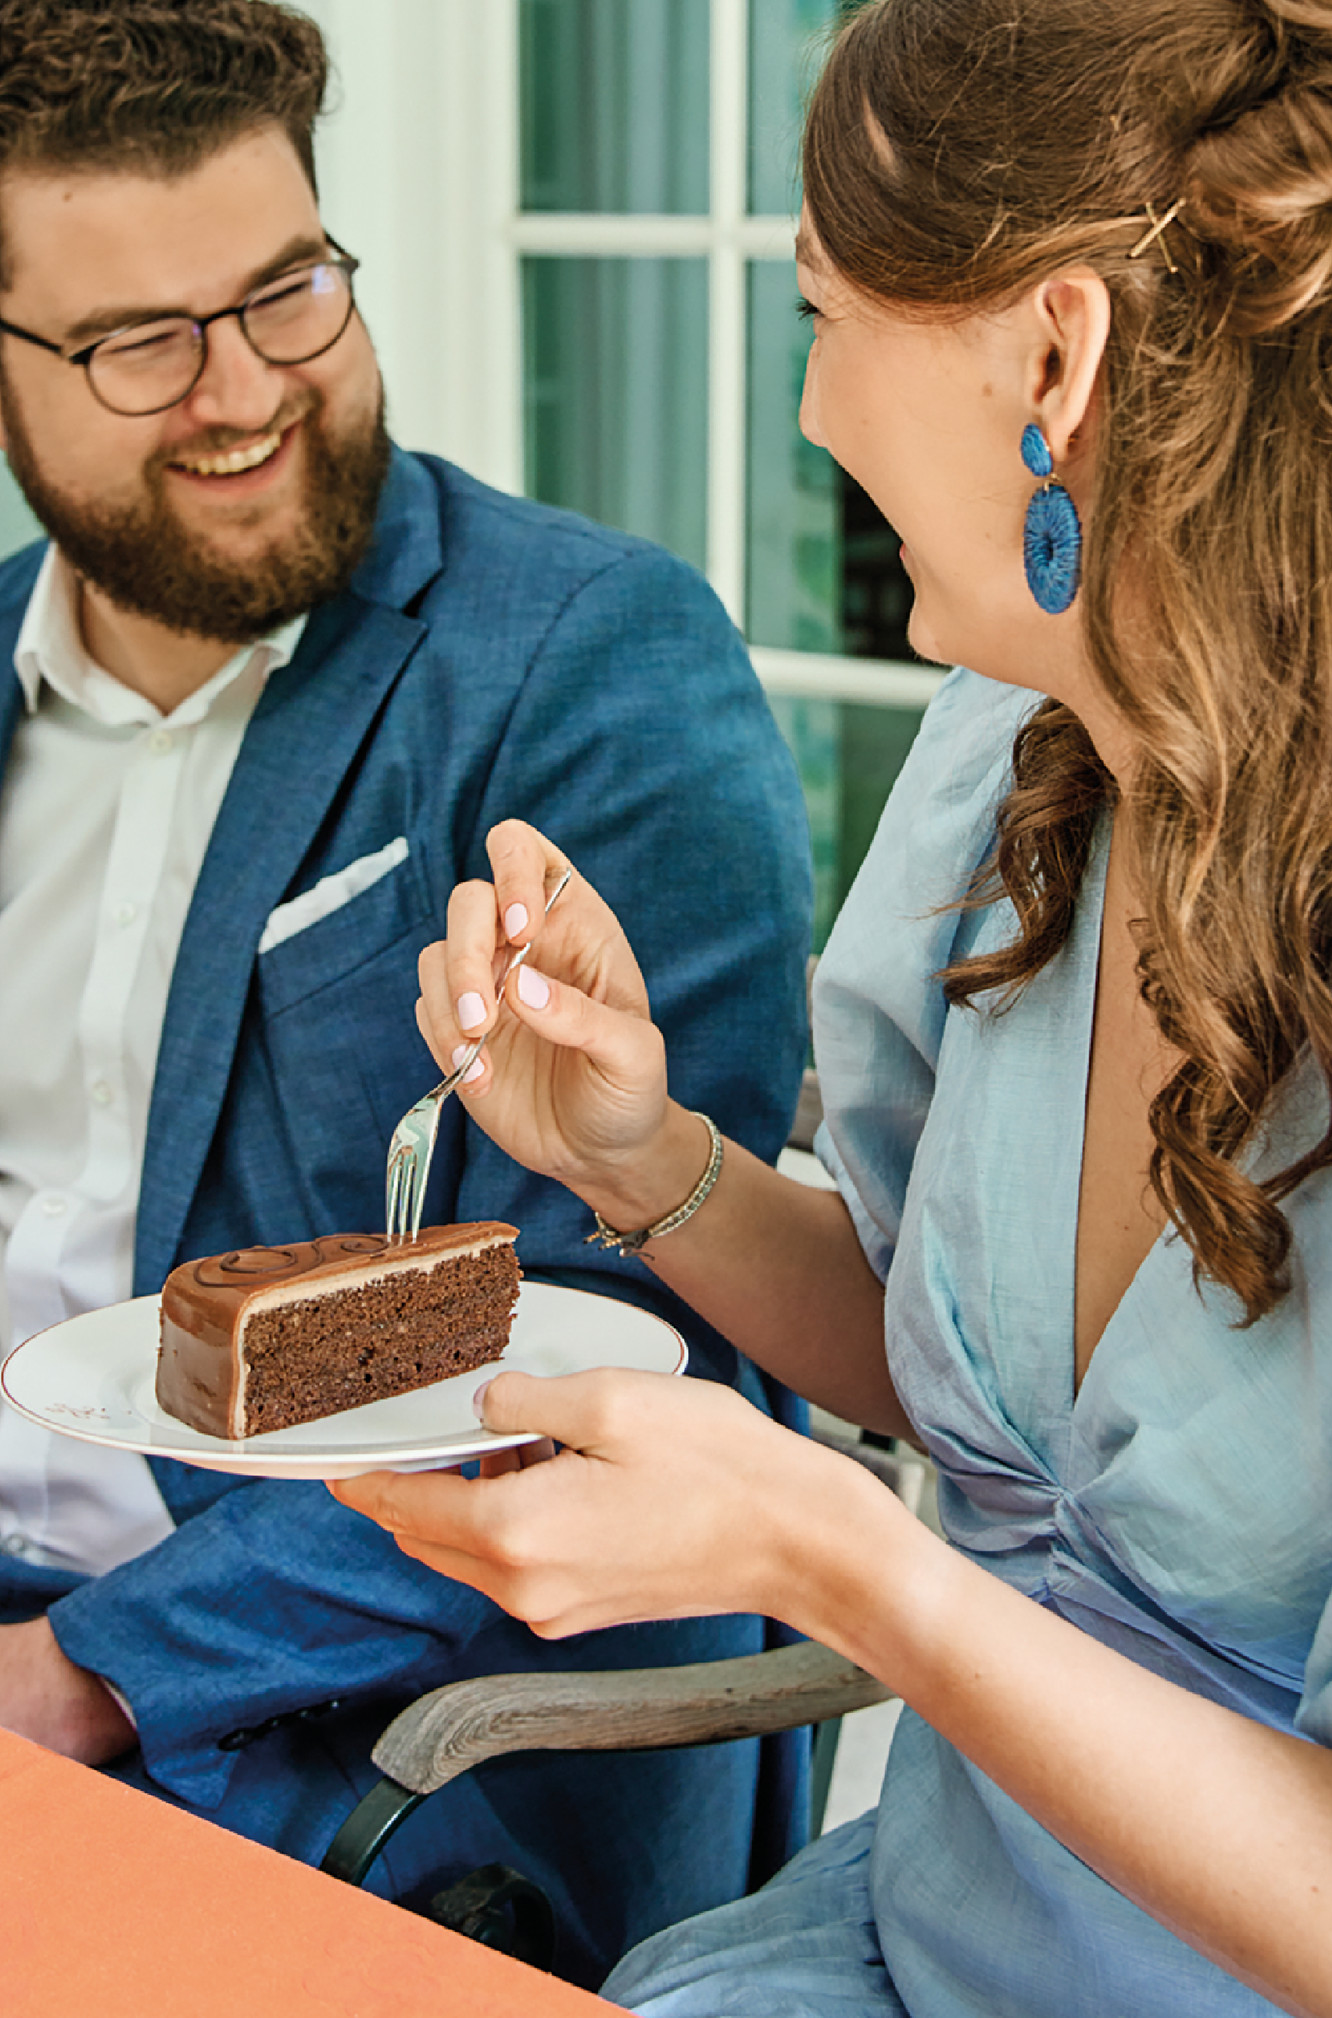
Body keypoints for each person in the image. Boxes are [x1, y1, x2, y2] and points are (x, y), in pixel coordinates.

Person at [331, 0, 1332, 2011]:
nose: (807, 418)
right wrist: (646, 1155)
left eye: (824, 316)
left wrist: (844, 1563)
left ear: (1054, 355)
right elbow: (931, 1354)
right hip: (900, 1944)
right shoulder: (1010, 760)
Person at [0, 0, 816, 1987]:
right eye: (141, 339)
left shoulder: (586, 659)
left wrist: (80, 1673)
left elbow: (656, 1340)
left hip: (362, 1734)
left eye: (290, 292)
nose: (248, 393)